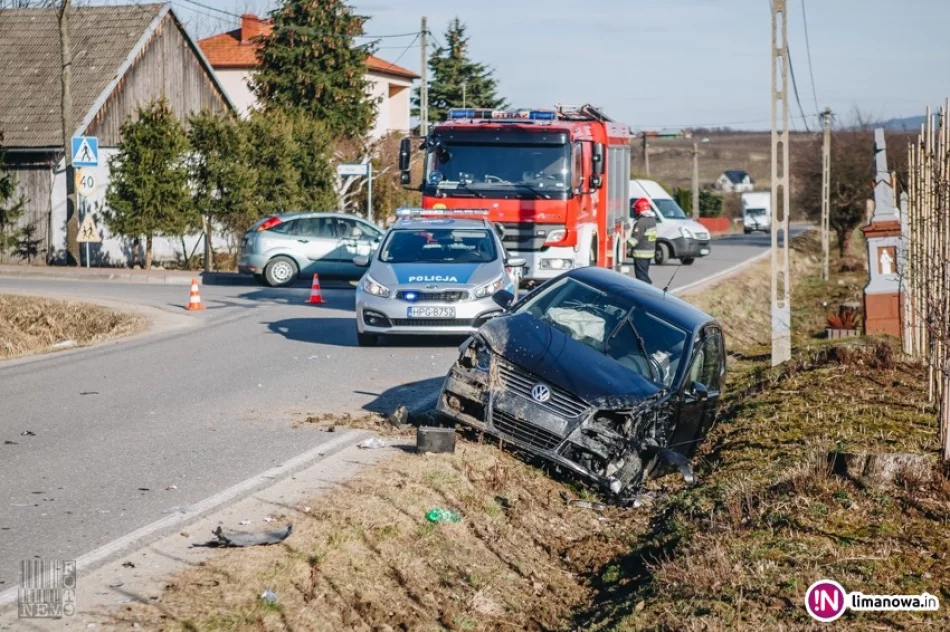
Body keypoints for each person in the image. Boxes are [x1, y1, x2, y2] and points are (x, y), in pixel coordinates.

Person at [628, 197, 658, 284]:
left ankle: (648, 291)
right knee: (644, 274)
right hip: (649, 252)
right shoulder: (652, 220)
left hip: (640, 253)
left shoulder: (641, 222)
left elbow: (634, 239)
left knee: (641, 277)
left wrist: (624, 246)